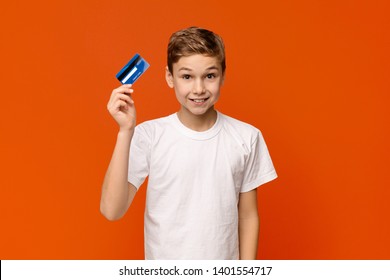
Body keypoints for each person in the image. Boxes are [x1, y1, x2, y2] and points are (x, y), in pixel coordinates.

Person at [100, 27, 277, 260]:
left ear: (223, 75)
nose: (199, 89)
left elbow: (248, 216)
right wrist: (125, 131)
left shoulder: (246, 137)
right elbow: (112, 210)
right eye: (187, 76)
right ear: (169, 77)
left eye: (209, 76)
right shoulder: (149, 136)